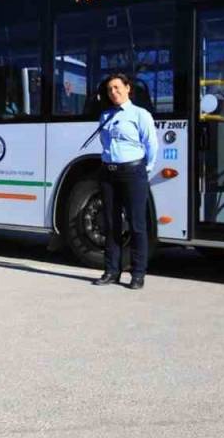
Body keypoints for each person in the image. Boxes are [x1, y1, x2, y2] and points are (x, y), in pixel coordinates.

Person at [92, 73, 159, 289]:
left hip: (133, 173)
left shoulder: (140, 115)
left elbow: (151, 145)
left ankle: (138, 273)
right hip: (108, 173)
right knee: (111, 224)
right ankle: (111, 271)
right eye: (110, 89)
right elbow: (105, 144)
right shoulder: (105, 116)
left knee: (137, 224)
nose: (113, 92)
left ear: (128, 88)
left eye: (117, 87)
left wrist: (143, 168)